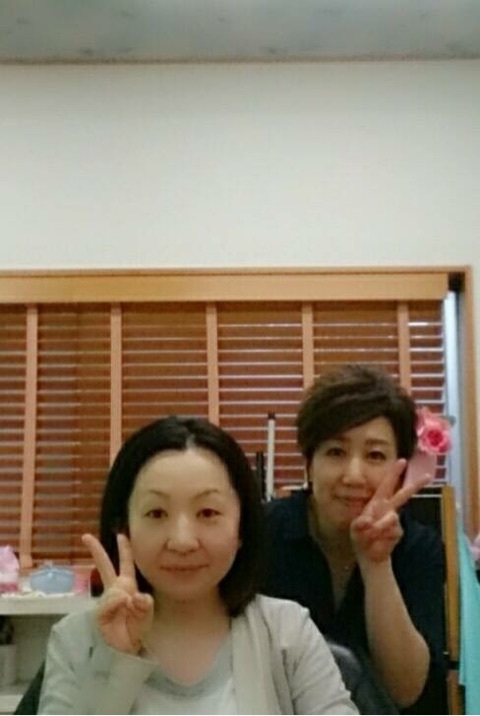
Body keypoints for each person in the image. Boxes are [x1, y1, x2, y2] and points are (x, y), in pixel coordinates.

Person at [38, 415, 358, 715]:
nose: (182, 541)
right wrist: (114, 661)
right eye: (156, 513)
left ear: (242, 527)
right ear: (124, 528)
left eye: (207, 513)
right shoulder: (75, 640)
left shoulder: (287, 632)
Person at [262, 364, 448, 715]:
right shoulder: (261, 535)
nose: (353, 475)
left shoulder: (419, 548)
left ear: (401, 468)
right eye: (335, 452)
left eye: (375, 455)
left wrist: (376, 564)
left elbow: (405, 690)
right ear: (309, 463)